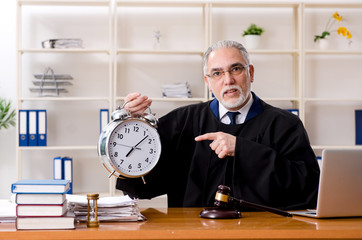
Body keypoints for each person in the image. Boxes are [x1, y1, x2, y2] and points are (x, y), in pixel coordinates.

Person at [116, 40, 320, 210]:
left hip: (261, 233)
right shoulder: (181, 122)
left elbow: (309, 188)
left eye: (236, 69)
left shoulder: (285, 125)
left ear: (251, 73)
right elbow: (142, 185)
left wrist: (243, 149)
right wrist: (130, 127)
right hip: (194, 233)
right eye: (217, 73)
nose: (228, 80)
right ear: (207, 81)